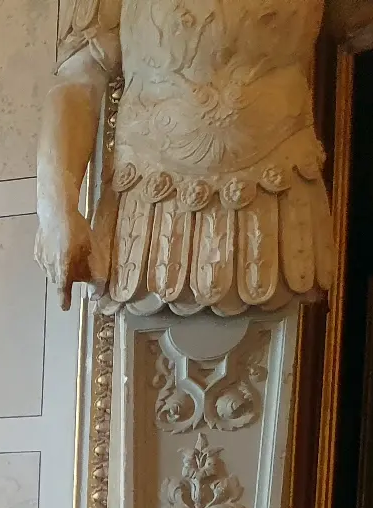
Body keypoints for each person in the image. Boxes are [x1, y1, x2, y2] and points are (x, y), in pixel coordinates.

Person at [36, 0, 333, 316]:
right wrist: (55, 208)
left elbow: (355, 25)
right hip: (149, 204)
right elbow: (78, 81)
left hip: (279, 199)